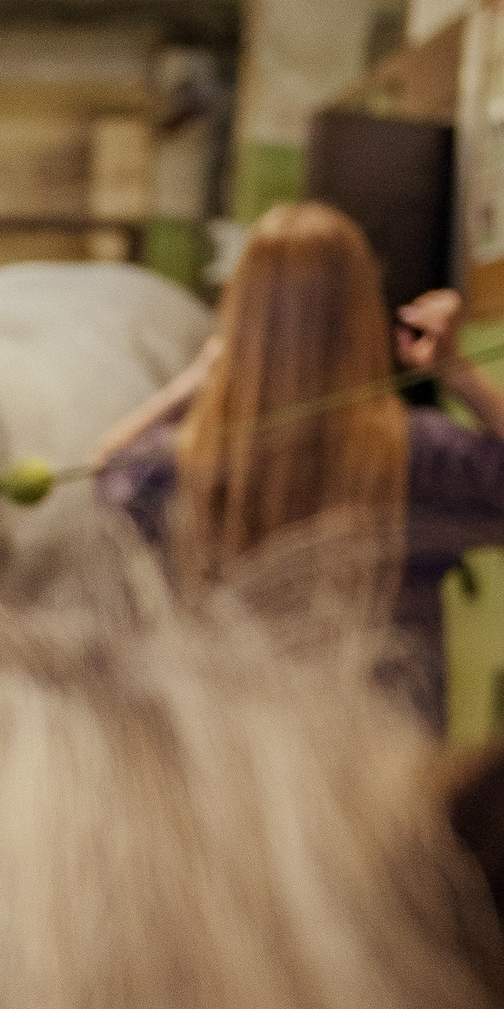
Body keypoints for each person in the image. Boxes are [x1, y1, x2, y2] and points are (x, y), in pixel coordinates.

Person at [95, 198, 504, 731]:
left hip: (244, 766)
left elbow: (107, 474)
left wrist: (192, 382)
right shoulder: (418, 456)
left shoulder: (188, 462)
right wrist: (460, 372)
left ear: (240, 317)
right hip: (390, 775)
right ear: (364, 313)